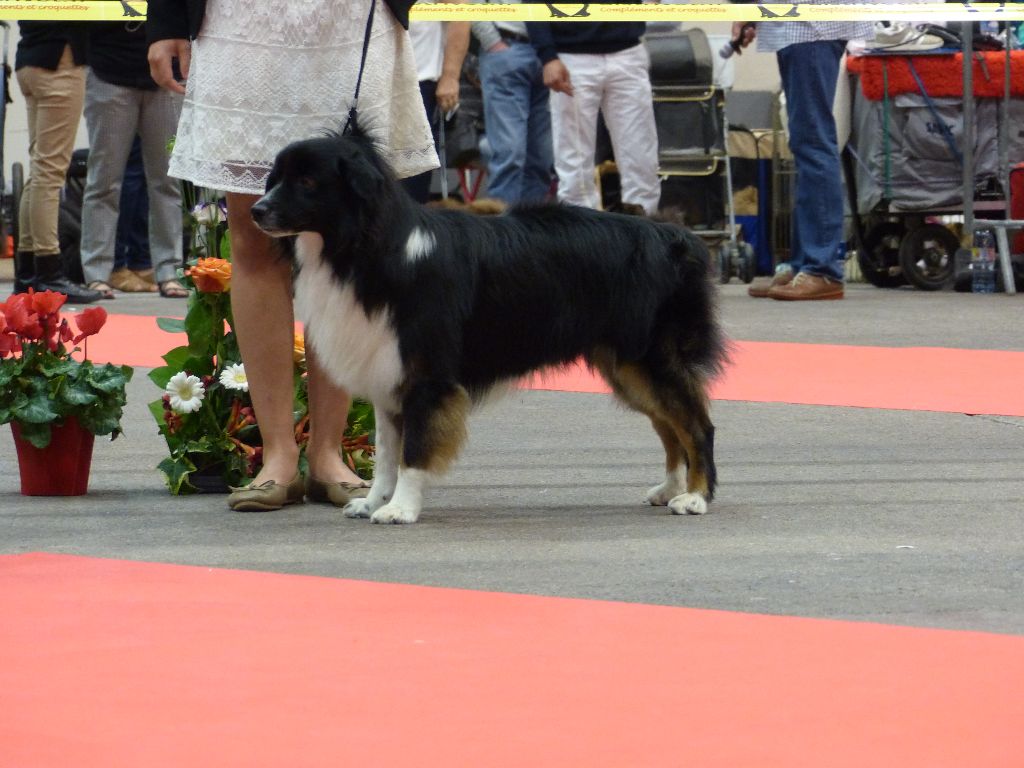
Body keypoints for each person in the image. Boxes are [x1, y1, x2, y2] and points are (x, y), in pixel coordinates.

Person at [147, 0, 437, 511]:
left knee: (346, 235)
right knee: (251, 235)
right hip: (244, 23)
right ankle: (277, 455)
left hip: (350, 21)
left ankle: (329, 453)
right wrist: (167, 21)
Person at [737, 0, 872, 301]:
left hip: (810, 26)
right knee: (805, 145)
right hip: (797, 26)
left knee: (813, 143)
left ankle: (821, 269)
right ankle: (803, 264)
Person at [80, 18, 186, 300]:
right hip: (108, 70)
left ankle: (169, 271)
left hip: (166, 77)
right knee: (103, 180)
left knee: (167, 180)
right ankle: (96, 274)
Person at [527, 8, 661, 215]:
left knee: (641, 156)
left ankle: (645, 234)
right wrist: (547, 56)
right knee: (573, 163)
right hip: (571, 57)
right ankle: (581, 239)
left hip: (628, 51)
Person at [13, 22, 102, 303]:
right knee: (49, 173)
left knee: (40, 170)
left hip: (30, 57)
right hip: (59, 59)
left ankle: (28, 272)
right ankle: (48, 272)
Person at [472, 0, 553, 205]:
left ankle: (537, 230)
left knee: (542, 156)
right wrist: (492, 41)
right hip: (507, 46)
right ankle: (503, 229)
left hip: (550, 53)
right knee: (509, 152)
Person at [402, 11, 470, 203]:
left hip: (420, 80)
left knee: (412, 181)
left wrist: (450, 76)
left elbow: (460, 13)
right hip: (369, 82)